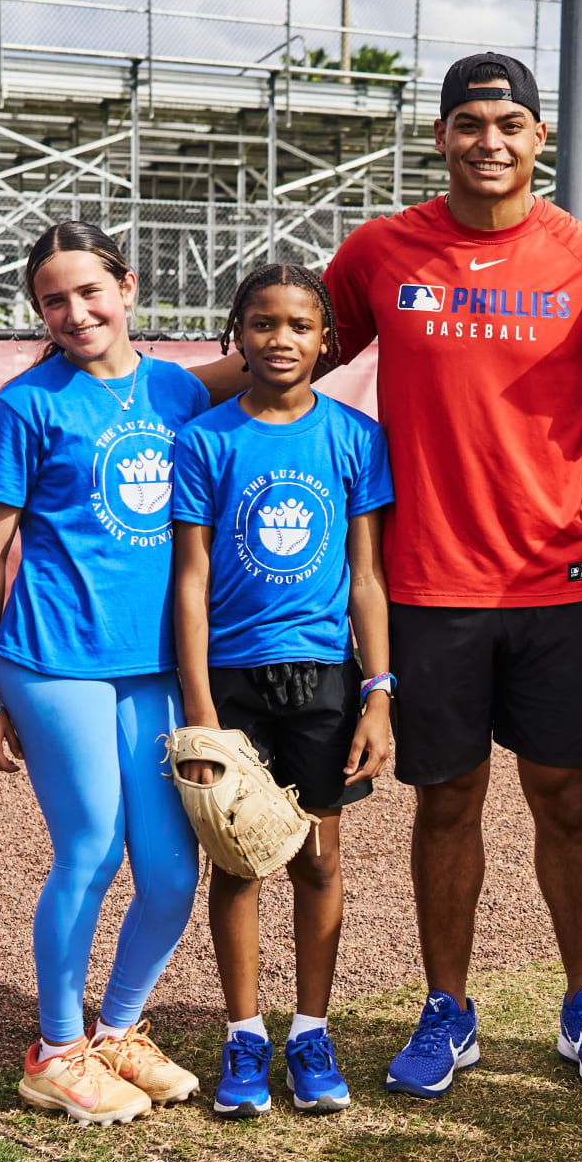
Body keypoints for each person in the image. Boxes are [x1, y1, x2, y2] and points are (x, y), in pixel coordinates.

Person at [198, 51, 582, 1098]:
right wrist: (135, 394)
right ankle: (448, 1010)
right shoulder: (381, 250)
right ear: (440, 136)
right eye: (468, 123)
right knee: (446, 804)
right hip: (431, 584)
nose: (489, 141)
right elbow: (288, 352)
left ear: (540, 138)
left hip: (561, 581)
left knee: (565, 797)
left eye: (510, 124)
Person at [0, 222, 208, 1125]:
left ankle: (119, 1030)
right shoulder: (27, 406)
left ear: (130, 287)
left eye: (89, 292)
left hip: (158, 668)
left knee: (173, 871)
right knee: (93, 849)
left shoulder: (180, 392)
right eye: (52, 302)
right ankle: (55, 1049)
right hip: (53, 657)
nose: (74, 313)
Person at [169, 264, 394, 1117]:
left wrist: (379, 691)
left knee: (317, 855)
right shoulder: (205, 439)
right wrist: (199, 714)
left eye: (300, 325)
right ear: (237, 335)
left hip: (326, 680)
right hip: (232, 681)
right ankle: (243, 1038)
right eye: (263, 324)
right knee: (238, 855)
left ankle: (309, 1031)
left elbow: (367, 578)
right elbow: (189, 581)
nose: (281, 340)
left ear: (326, 340)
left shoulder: (352, 436)